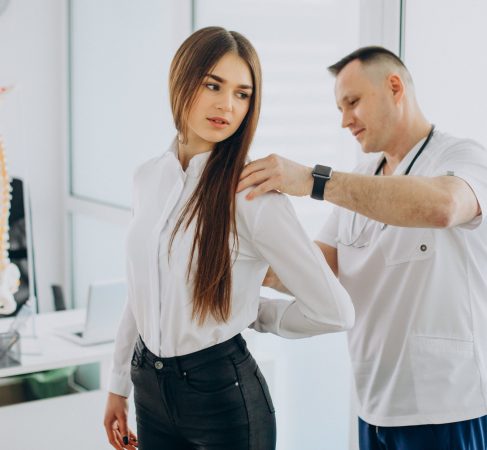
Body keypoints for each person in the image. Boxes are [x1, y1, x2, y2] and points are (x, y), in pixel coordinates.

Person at [103, 26, 354, 450]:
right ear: (181, 80)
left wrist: (255, 313)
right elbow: (141, 289)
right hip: (148, 387)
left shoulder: (252, 193)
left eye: (243, 94)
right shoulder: (147, 178)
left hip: (222, 397)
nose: (227, 105)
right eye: (213, 85)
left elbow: (335, 311)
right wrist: (117, 386)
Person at [237, 46, 487, 450]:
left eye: (352, 102)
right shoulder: (363, 177)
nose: (344, 120)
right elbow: (316, 268)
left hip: (447, 408)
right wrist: (233, 260)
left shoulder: (462, 156)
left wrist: (313, 181)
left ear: (394, 86)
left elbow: (444, 207)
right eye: (339, 107)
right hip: (375, 403)